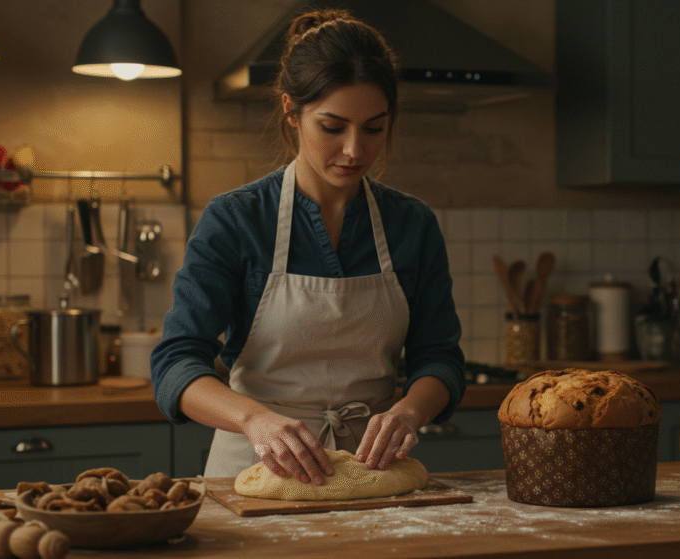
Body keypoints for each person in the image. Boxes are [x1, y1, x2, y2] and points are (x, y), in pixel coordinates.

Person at [150, 7, 465, 486]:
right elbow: (175, 363)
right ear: (291, 113)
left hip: (372, 472)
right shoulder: (236, 220)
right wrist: (254, 420)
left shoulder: (411, 225)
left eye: (374, 128)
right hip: (257, 469)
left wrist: (408, 412)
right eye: (332, 127)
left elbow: (439, 356)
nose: (355, 150)